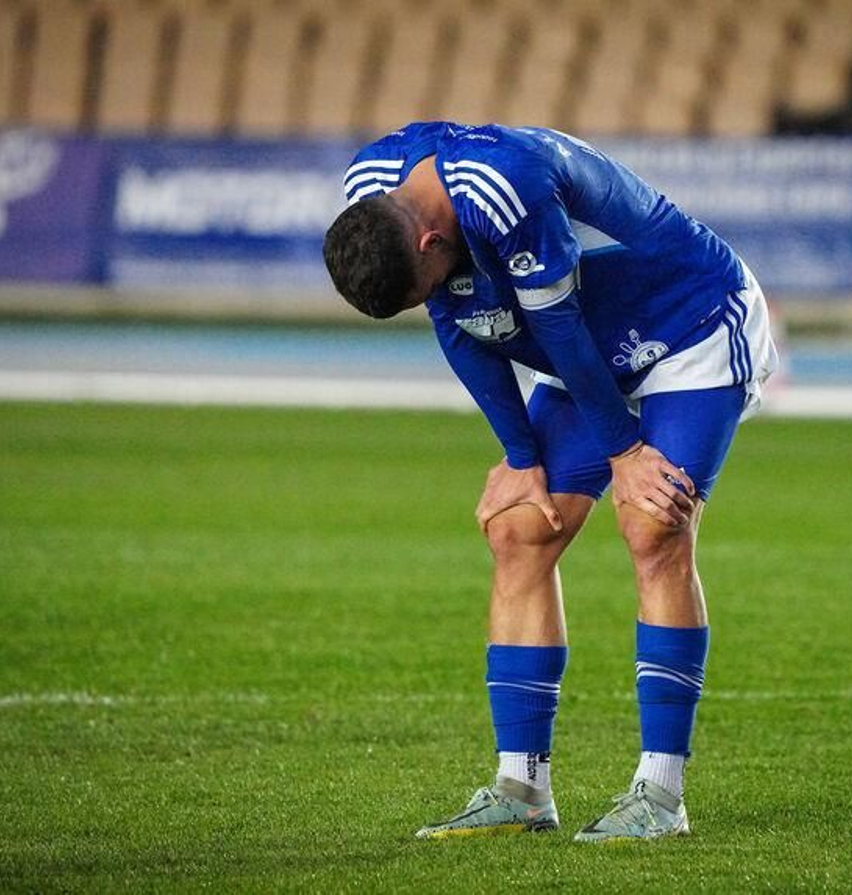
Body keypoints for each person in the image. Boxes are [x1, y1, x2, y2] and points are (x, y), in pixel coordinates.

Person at [322, 122, 777, 842]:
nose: (432, 297)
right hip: (591, 356)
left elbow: (557, 324)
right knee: (518, 525)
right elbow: (456, 319)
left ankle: (660, 794)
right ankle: (522, 787)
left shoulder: (502, 187)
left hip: (688, 326)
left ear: (428, 244)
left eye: (427, 282)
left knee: (654, 524)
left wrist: (627, 454)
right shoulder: (373, 194)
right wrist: (518, 454)